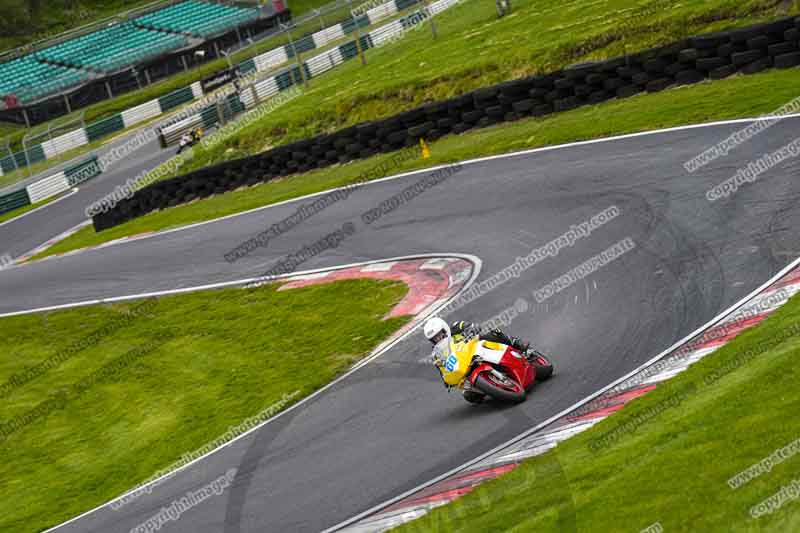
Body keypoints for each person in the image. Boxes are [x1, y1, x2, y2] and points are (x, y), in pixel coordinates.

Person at [423, 317, 532, 357]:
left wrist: (471, 327)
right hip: (465, 364)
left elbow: (467, 325)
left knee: (491, 333)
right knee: (469, 395)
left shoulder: (455, 327)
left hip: (478, 347)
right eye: (435, 339)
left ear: (445, 329)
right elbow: (442, 369)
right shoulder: (437, 353)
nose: (439, 339)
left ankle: (517, 343)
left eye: (439, 335)